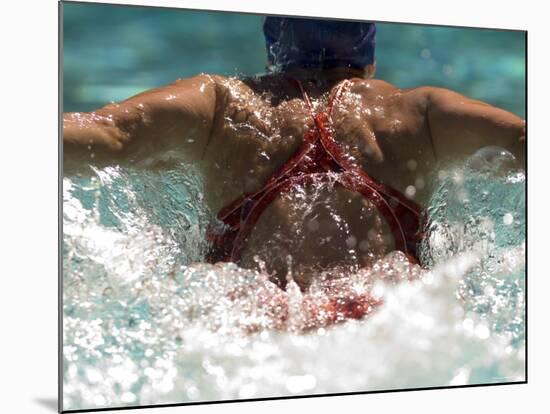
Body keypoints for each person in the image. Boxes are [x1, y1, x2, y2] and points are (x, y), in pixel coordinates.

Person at [63, 17, 526, 291]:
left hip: (251, 316)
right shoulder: (419, 114)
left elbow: (104, 136)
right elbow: (525, 143)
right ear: (370, 58)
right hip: (381, 320)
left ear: (274, 48)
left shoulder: (222, 104)